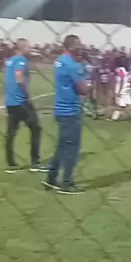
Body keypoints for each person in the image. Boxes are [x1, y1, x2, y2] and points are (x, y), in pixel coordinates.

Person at [43, 35, 88, 195]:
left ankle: (51, 178)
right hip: (71, 111)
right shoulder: (72, 65)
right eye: (78, 45)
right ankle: (67, 183)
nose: (81, 47)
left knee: (62, 147)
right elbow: (83, 89)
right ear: (71, 46)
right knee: (72, 149)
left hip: (61, 109)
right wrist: (85, 76)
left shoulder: (60, 60)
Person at [4, 38, 43, 173]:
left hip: (10, 101)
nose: (30, 49)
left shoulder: (10, 60)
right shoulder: (21, 60)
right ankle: (35, 162)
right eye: (28, 47)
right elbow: (19, 76)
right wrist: (27, 94)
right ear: (22, 48)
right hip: (21, 101)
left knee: (11, 132)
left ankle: (11, 164)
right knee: (36, 128)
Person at [111, 56, 131, 121]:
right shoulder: (125, 69)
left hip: (122, 89)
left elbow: (121, 79)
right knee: (128, 103)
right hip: (127, 88)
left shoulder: (119, 69)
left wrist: (119, 91)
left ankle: (114, 118)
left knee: (119, 104)